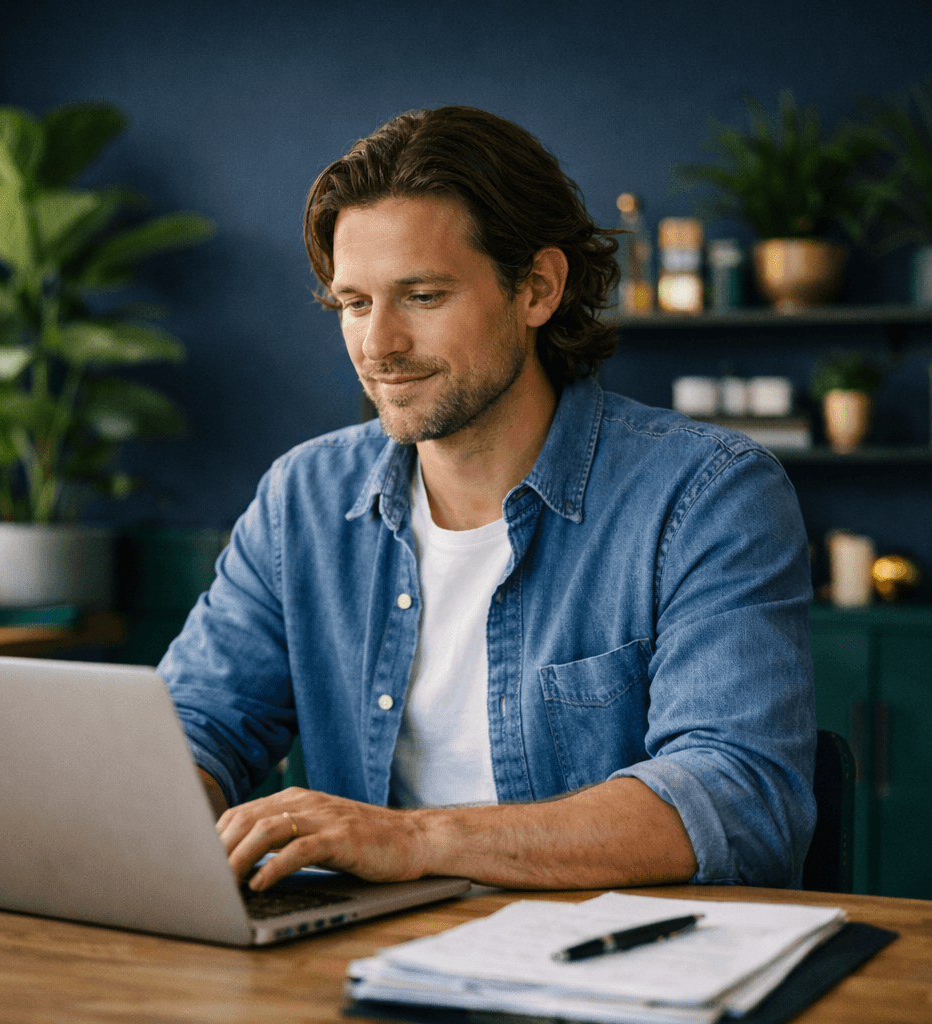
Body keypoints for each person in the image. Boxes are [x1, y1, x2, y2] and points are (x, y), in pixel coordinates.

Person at [158, 106, 816, 894]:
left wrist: (414, 840)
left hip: (609, 972)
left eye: (424, 296)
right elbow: (195, 725)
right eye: (355, 304)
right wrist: (163, 798)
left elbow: (738, 797)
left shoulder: (707, 495)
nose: (378, 345)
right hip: (357, 961)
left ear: (537, 288)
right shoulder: (302, 498)